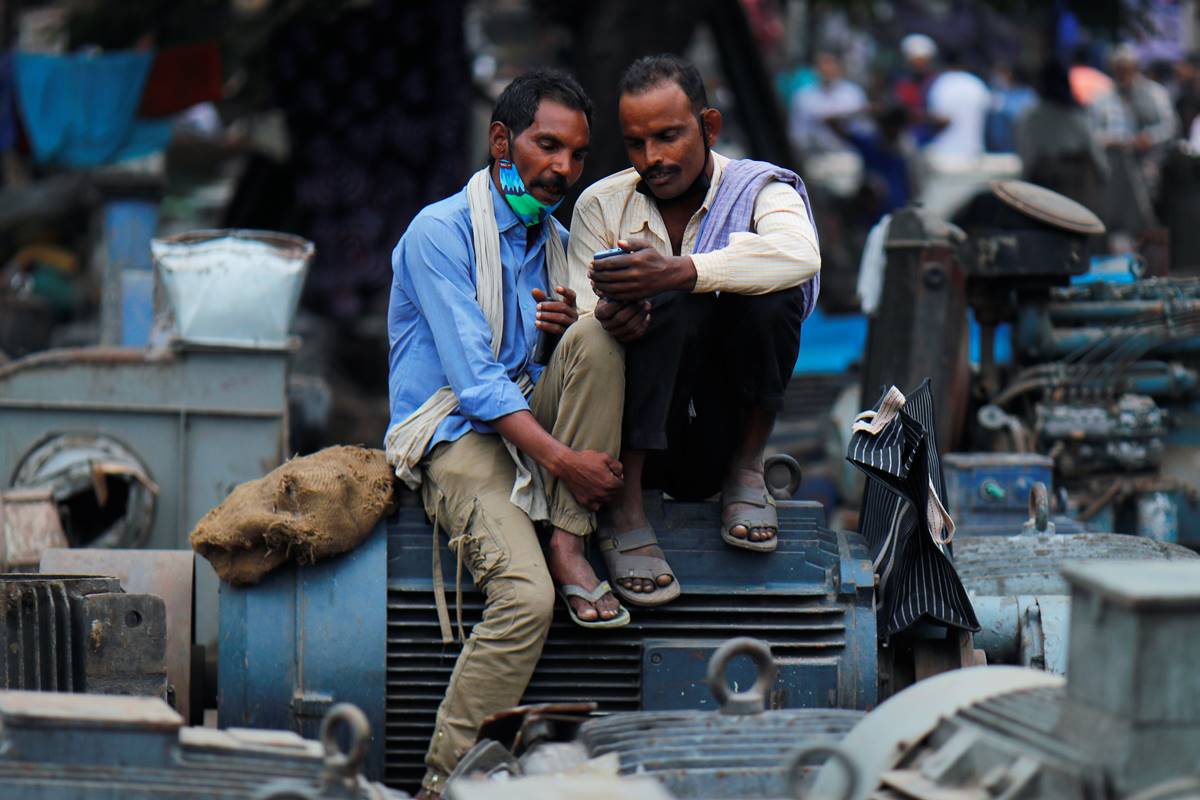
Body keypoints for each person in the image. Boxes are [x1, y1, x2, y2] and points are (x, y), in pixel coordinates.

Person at [384, 69, 628, 799]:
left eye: (577, 155)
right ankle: (443, 783)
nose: (562, 169)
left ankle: (568, 540)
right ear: (501, 141)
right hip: (459, 434)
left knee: (597, 337)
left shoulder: (556, 244)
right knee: (524, 600)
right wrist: (567, 463)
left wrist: (560, 337)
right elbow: (477, 384)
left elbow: (548, 372)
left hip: (524, 415)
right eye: (547, 146)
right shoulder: (441, 233)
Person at [566, 55, 821, 605]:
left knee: (771, 293)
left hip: (720, 430)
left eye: (668, 136)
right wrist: (611, 318)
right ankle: (626, 508)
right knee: (665, 303)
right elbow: (583, 323)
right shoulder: (601, 205)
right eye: (636, 143)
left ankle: (747, 469)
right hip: (629, 441)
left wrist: (683, 271)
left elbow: (800, 255)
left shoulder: (761, 190)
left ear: (709, 127)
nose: (652, 159)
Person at [1016, 58, 1108, 210]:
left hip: (1059, 184)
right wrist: (1102, 174)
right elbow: (1095, 153)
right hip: (1067, 185)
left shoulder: (1031, 116)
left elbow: (1027, 156)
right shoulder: (1075, 114)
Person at [789, 50, 868, 155]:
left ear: (838, 67)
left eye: (830, 64)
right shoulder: (803, 97)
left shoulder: (853, 93)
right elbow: (797, 132)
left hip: (849, 154)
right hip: (816, 156)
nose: (826, 69)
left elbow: (864, 128)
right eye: (822, 65)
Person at [923, 48, 991, 158]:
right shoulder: (976, 83)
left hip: (946, 152)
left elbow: (942, 118)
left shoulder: (943, 83)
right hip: (974, 151)